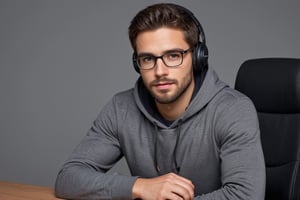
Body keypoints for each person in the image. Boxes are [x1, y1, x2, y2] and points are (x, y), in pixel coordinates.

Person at [55, 3, 265, 200]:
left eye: (173, 56)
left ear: (198, 56)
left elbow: (246, 196)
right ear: (137, 63)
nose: (160, 71)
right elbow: (68, 178)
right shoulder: (121, 108)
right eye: (148, 59)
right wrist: (140, 186)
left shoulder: (232, 109)